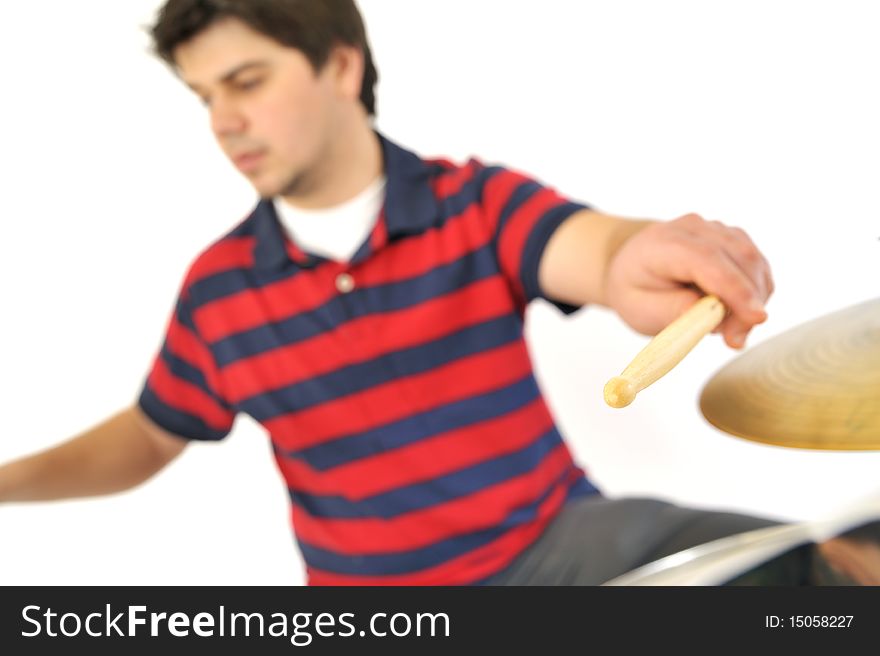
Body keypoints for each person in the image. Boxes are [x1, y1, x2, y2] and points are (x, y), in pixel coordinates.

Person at [0, 0, 801, 585]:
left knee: (821, 571)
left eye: (245, 81)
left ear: (341, 65)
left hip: (556, 548)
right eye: (205, 96)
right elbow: (150, 435)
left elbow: (597, 249)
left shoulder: (474, 205)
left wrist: (639, 249)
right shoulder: (219, 293)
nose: (224, 120)